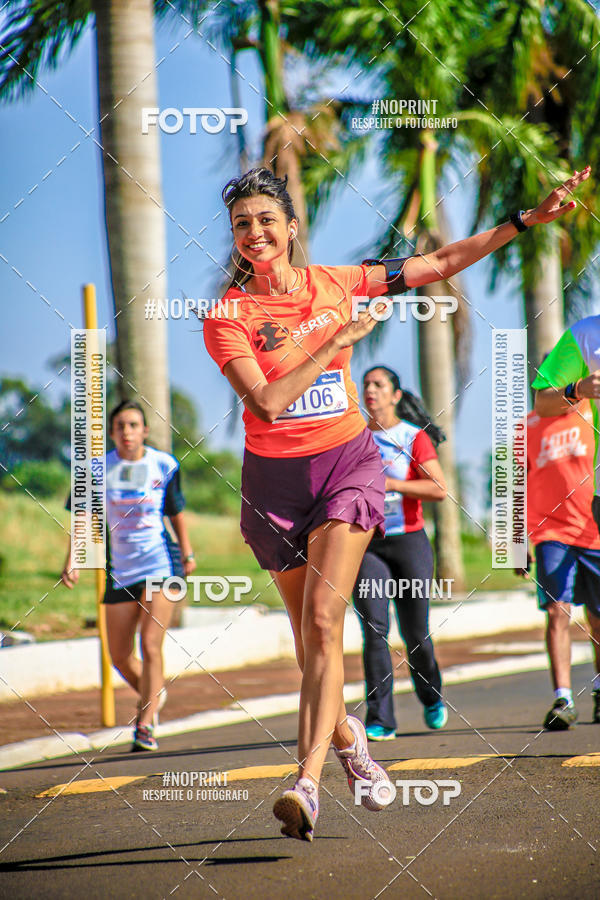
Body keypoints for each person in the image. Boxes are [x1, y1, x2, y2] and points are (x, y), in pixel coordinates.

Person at [203, 164, 590, 842]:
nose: (255, 232)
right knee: (308, 647)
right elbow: (265, 400)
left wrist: (524, 221)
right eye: (243, 225)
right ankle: (352, 742)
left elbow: (439, 262)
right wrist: (334, 341)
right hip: (273, 484)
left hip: (346, 467)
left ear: (292, 228)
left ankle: (306, 783)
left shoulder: (344, 281)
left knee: (326, 623)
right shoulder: (228, 316)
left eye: (267, 220)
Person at [61, 400, 196, 751]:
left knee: (150, 643)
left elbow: (176, 510)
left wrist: (188, 551)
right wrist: (73, 559)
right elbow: (81, 514)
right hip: (120, 569)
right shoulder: (96, 469)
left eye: (133, 425)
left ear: (145, 431)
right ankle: (154, 694)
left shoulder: (163, 464)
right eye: (120, 426)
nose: (126, 432)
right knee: (119, 654)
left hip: (161, 564)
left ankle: (145, 724)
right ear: (112, 432)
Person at [352, 367, 447, 741]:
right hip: (366, 545)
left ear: (395, 395)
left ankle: (431, 694)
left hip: (408, 541)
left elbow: (438, 488)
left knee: (415, 634)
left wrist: (389, 483)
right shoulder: (352, 438)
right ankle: (381, 718)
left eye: (379, 385)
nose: (371, 391)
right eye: (366, 385)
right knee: (374, 629)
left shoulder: (413, 437)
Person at [526, 394, 600, 728]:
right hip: (549, 532)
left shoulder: (590, 411)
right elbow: (514, 485)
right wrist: (515, 542)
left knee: (598, 619)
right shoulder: (524, 428)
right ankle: (564, 698)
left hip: (594, 528)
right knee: (558, 611)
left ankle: (599, 689)